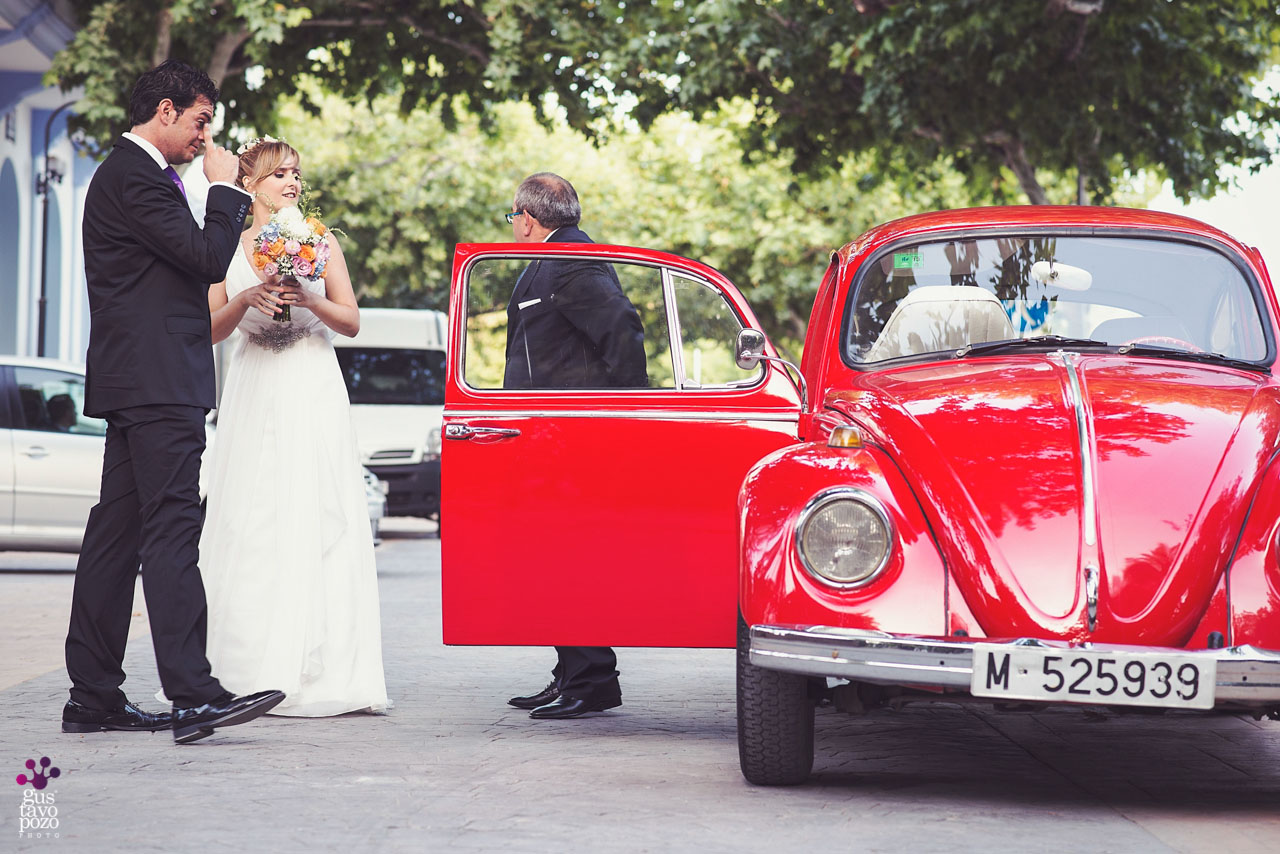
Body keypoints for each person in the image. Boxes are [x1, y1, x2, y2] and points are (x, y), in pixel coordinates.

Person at [64, 60, 284, 745]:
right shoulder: (134, 175)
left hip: (139, 378)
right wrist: (225, 191)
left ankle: (94, 697)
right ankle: (194, 695)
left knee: (116, 536)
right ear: (165, 110)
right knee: (169, 529)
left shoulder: (132, 176)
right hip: (158, 383)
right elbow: (203, 257)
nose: (203, 136)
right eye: (199, 121)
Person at [195, 136, 389, 717]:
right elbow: (208, 329)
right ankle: (243, 669)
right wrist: (248, 299)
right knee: (253, 518)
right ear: (251, 183)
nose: (293, 184)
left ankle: (326, 670)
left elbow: (351, 321)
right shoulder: (224, 244)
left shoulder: (318, 240)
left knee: (314, 507)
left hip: (310, 380)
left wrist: (307, 299)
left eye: (297, 174)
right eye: (281, 174)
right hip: (254, 384)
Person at [502, 172, 647, 719]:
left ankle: (592, 679)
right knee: (551, 556)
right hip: (546, 433)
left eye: (512, 216)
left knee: (570, 557)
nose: (512, 225)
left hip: (572, 436)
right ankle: (570, 673)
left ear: (529, 217)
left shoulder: (573, 261)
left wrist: (615, 418)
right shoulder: (553, 258)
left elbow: (622, 332)